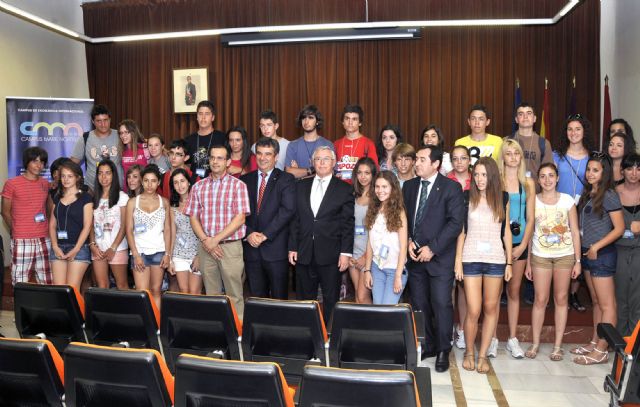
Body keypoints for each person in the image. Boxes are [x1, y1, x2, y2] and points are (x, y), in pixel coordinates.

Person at [404, 145, 464, 373]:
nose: (416, 163)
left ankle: (442, 349)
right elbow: (405, 218)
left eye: (420, 159)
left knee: (441, 304)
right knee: (420, 304)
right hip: (415, 257)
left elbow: (455, 223)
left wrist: (433, 248)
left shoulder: (451, 188)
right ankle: (428, 344)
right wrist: (409, 240)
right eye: (416, 159)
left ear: (436, 164)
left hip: (439, 259)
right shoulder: (409, 187)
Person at [454, 157, 512, 374]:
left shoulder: (503, 197)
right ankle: (469, 351)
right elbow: (462, 230)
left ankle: (482, 354)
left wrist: (509, 262)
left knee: (490, 308)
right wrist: (458, 260)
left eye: (484, 174)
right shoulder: (466, 196)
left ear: (492, 176)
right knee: (474, 309)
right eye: (476, 174)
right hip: (470, 258)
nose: (479, 179)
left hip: (496, 259)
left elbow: (505, 230)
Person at [288, 146, 355, 323]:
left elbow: (348, 224)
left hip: (331, 254)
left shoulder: (344, 189)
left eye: (326, 159)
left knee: (331, 300)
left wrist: (346, 253)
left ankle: (329, 338)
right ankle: (307, 336)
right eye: (318, 159)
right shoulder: (300, 186)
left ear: (333, 163)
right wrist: (293, 247)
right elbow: (296, 219)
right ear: (312, 162)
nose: (322, 162)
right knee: (304, 300)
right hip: (304, 253)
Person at [184, 145, 250, 318]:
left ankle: (238, 338)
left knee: (234, 295)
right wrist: (207, 240)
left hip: (230, 247)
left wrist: (216, 240)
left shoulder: (238, 186)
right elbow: (193, 217)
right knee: (211, 295)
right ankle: (217, 333)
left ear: (228, 162)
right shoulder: (198, 187)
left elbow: (240, 218)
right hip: (205, 248)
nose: (215, 161)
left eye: (220, 158)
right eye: (212, 157)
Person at [525, 163, 583, 360]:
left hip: (564, 256)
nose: (547, 180)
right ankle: (535, 343)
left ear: (557, 178)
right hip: (540, 255)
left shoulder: (567, 201)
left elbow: (575, 231)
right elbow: (530, 232)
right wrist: (527, 263)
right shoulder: (533, 201)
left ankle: (557, 346)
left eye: (551, 176)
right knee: (540, 300)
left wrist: (577, 261)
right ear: (538, 180)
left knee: (561, 299)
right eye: (543, 176)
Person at [572, 154, 624, 365]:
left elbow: (620, 228)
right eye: (589, 169)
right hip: (587, 253)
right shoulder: (588, 193)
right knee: (596, 302)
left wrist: (597, 246)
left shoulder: (609, 195)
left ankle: (602, 349)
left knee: (607, 304)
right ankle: (595, 342)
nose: (590, 173)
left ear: (604, 173)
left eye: (595, 170)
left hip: (601, 254)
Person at [241, 137, 295, 299]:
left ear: (276, 156)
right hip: (251, 249)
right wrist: (249, 233)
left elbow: (287, 210)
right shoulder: (245, 180)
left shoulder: (286, 179)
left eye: (268, 154)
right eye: (259, 154)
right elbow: (238, 213)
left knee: (279, 299)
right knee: (256, 298)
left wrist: (265, 235)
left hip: (275, 249)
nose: (262, 158)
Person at [496, 139, 536, 359]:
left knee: (513, 291)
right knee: (493, 294)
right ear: (502, 157)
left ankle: (512, 338)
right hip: (497, 244)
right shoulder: (496, 181)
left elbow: (530, 220)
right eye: (508, 153)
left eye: (516, 153)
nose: (512, 157)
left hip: (519, 245)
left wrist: (521, 247)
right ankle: (492, 338)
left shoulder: (528, 184)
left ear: (521, 157)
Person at [554, 114, 594, 312]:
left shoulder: (592, 157)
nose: (574, 133)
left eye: (578, 129)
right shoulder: (557, 156)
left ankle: (573, 293)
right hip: (560, 210)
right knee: (562, 247)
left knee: (580, 248)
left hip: (584, 209)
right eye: (570, 129)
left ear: (584, 131)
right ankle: (560, 293)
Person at [1, 147, 52, 285]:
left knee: (47, 281)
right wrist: (16, 229)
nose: (39, 165)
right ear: (26, 162)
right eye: (35, 161)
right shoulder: (12, 183)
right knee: (20, 281)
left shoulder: (45, 184)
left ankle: (46, 307)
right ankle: (21, 307)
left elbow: (49, 210)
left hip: (44, 239)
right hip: (22, 239)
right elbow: (5, 211)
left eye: (42, 162)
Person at [126, 164, 171, 309]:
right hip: (140, 253)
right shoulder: (133, 202)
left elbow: (168, 229)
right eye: (146, 180)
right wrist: (135, 254)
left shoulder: (164, 202)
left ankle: (157, 326)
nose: (149, 184)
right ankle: (145, 328)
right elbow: (128, 230)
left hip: (159, 251)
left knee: (156, 291)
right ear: (141, 181)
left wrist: (168, 254)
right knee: (142, 293)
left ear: (158, 182)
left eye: (153, 181)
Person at [363, 171, 408, 304]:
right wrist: (367, 270)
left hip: (395, 270)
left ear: (393, 188)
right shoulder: (373, 209)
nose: (380, 190)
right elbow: (370, 243)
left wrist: (398, 276)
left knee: (387, 311)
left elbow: (403, 246)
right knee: (378, 308)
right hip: (377, 268)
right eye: (377, 187)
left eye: (384, 187)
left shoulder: (399, 212)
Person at [49, 161, 93, 292]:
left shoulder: (86, 198)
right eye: (63, 176)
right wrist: (55, 246)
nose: (66, 179)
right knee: (60, 291)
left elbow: (87, 226)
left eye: (70, 176)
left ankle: (78, 314)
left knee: (72, 290)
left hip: (79, 248)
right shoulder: (57, 197)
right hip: (58, 248)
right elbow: (52, 225)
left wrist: (76, 249)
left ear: (78, 177)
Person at [89, 159, 130, 290]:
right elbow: (90, 225)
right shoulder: (93, 197)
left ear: (114, 175)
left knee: (122, 285)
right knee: (102, 286)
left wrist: (113, 248)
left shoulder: (122, 197)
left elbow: (124, 225)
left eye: (107, 173)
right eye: (100, 173)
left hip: (116, 248)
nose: (104, 177)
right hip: (98, 249)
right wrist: (92, 244)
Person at [447, 145, 472, 350]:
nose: (459, 162)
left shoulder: (478, 179)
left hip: (472, 238)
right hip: (449, 239)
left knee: (464, 287)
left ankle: (462, 330)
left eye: (463, 158)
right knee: (449, 287)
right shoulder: (445, 180)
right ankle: (447, 329)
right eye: (455, 158)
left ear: (469, 161)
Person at [615, 154, 640, 336]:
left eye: (638, 168)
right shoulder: (613, 193)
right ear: (622, 171)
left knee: (637, 299)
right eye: (630, 168)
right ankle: (620, 344)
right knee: (620, 297)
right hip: (618, 251)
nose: (634, 173)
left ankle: (635, 344)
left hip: (639, 251)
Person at [70, 104, 122, 190]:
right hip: (92, 190)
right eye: (99, 121)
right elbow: (72, 163)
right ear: (93, 122)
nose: (103, 124)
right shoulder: (85, 138)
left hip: (117, 189)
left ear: (110, 119)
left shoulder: (120, 136)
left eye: (105, 120)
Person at [169, 168, 202, 294]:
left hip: (196, 253)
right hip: (179, 254)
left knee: (194, 292)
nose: (179, 185)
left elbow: (205, 231)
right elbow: (172, 233)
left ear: (188, 182)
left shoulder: (199, 203)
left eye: (182, 181)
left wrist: (199, 255)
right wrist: (170, 258)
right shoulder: (173, 207)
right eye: (176, 182)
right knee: (183, 291)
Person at [349, 158, 377, 303]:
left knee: (363, 296)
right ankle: (359, 326)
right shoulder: (352, 195)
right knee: (358, 298)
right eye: (359, 172)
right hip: (353, 254)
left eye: (367, 173)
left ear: (373, 175)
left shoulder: (377, 198)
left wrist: (366, 257)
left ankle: (372, 326)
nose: (363, 176)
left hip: (368, 255)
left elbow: (379, 234)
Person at [285, 104, 334, 179]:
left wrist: (300, 172)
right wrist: (315, 170)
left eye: (310, 118)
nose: (306, 121)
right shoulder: (292, 145)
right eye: (304, 118)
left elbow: (330, 172)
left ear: (317, 121)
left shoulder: (327, 144)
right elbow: (289, 173)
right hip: (299, 189)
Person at [507, 102, 553, 180]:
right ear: (516, 119)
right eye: (521, 114)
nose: (525, 117)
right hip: (511, 191)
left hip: (536, 191)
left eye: (529, 113)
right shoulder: (507, 141)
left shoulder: (544, 143)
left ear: (534, 118)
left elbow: (548, 172)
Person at [334, 104, 378, 183]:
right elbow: (332, 169)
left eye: (354, 119)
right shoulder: (336, 144)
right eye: (347, 118)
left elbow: (374, 170)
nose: (350, 122)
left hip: (361, 188)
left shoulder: (368, 144)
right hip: (340, 188)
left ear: (360, 123)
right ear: (342, 122)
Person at [184, 100, 226, 179]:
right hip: (194, 184)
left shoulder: (222, 138)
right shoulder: (188, 140)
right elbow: (186, 164)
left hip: (216, 181)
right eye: (200, 114)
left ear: (213, 117)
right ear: (197, 117)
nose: (203, 117)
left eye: (207, 114)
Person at [119, 119, 150, 191]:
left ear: (133, 132)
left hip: (144, 190)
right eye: (121, 133)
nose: (123, 136)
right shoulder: (122, 151)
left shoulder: (145, 148)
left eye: (126, 132)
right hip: (127, 191)